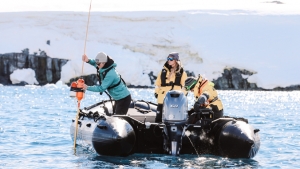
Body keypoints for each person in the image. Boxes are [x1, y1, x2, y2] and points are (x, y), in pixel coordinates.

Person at [154, 52, 187, 122]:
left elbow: (185, 87)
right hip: (161, 99)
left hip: (175, 101)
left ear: (176, 60)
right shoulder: (162, 72)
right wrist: (156, 93)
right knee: (158, 120)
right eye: (168, 58)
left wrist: (182, 95)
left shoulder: (181, 73)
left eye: (171, 59)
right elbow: (157, 84)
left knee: (173, 120)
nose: (169, 60)